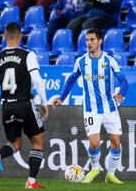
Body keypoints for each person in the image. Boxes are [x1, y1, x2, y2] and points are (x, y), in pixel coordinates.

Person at [52, 28, 128, 184]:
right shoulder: (81, 62)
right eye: (87, 40)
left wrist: (120, 94)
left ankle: (111, 174)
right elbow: (71, 79)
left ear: (100, 41)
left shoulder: (109, 61)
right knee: (94, 143)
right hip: (91, 109)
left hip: (110, 108)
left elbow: (124, 81)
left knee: (116, 142)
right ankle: (95, 168)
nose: (89, 43)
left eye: (92, 40)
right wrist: (61, 98)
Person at [0, 22, 49, 189]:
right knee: (38, 142)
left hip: (7, 106)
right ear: (20, 36)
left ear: (4, 36)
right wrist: (44, 103)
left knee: (15, 144)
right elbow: (38, 81)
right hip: (25, 103)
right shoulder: (28, 55)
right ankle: (31, 181)